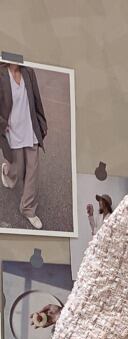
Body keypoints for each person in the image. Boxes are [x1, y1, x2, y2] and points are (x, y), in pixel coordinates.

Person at [0, 61, 47, 230]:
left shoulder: (28, 72)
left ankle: (28, 209)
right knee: (17, 170)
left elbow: (36, 99)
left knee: (32, 171)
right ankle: (7, 171)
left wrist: (42, 123)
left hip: (30, 128)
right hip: (12, 130)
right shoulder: (1, 74)